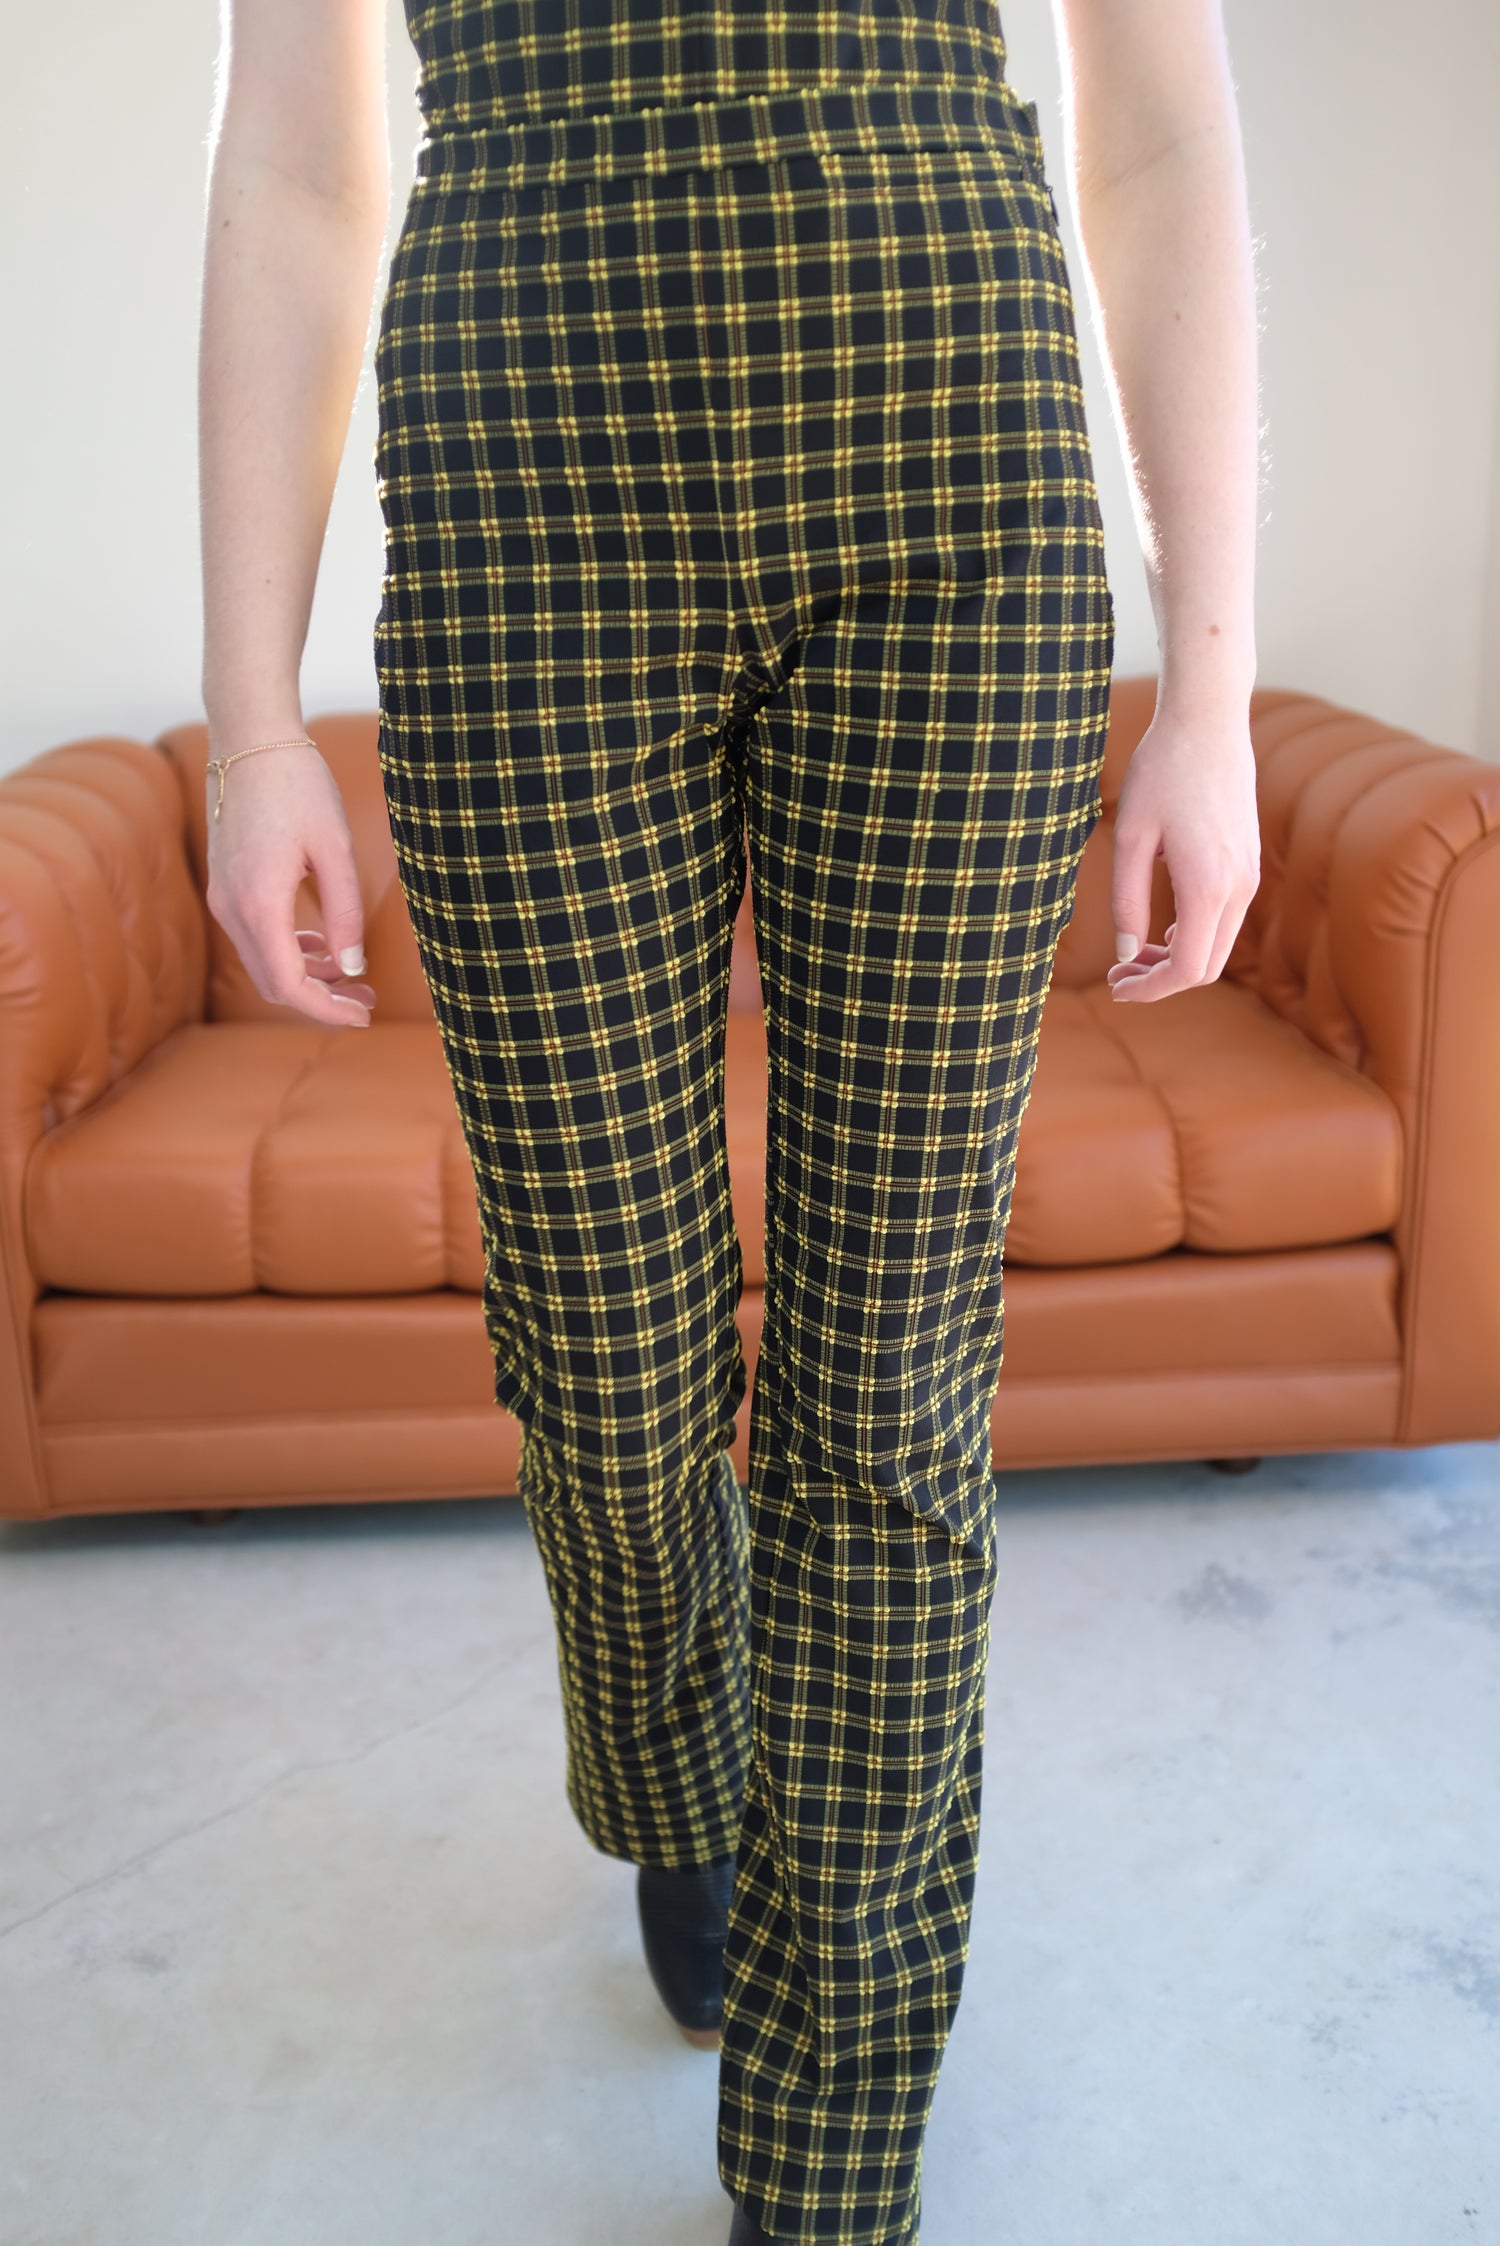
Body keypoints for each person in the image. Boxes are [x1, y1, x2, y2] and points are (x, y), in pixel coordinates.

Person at [197, 1, 1260, 2237]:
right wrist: (253, 724)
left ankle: (829, 2147)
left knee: (887, 1385)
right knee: (605, 1368)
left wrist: (1215, 687)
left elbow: (1161, 133)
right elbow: (295, 163)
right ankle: (688, 1777)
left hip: (954, 471)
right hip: (524, 485)